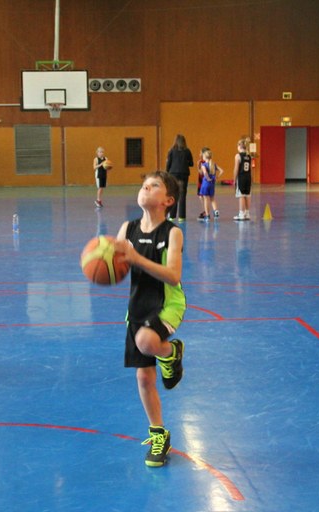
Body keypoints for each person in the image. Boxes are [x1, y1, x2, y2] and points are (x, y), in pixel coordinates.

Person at [114, 170, 186, 467]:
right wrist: (104, 258)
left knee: (146, 340)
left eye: (154, 185)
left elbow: (173, 275)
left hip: (167, 303)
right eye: (144, 184)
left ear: (168, 200)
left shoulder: (172, 233)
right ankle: (159, 434)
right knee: (144, 378)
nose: (146, 187)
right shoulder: (127, 228)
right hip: (138, 306)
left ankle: (171, 351)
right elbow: (116, 266)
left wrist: (136, 258)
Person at [165, 134, 193, 222]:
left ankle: (172, 216)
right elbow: (191, 163)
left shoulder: (171, 151)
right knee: (182, 195)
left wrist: (167, 173)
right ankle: (182, 217)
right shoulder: (187, 151)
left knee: (173, 194)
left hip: (173, 174)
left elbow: (168, 163)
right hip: (184, 174)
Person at [198, 149, 224, 221]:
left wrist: (208, 178)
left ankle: (207, 215)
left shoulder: (204, 165)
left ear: (205, 157)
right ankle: (216, 212)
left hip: (206, 183)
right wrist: (217, 177)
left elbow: (205, 173)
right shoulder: (213, 164)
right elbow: (222, 171)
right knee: (212, 198)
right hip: (212, 184)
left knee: (206, 199)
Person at [233, 138, 253, 221]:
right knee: (247, 195)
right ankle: (247, 213)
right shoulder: (249, 156)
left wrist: (234, 179)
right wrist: (251, 179)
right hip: (248, 177)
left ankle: (241, 214)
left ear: (239, 146)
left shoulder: (238, 156)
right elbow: (250, 169)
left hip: (241, 178)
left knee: (241, 196)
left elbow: (236, 169)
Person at [196, 147, 208, 220]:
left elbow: (201, 172)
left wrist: (198, 166)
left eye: (200, 153)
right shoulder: (209, 161)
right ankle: (206, 211)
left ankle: (205, 211)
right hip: (206, 181)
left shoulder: (201, 162)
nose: (199, 154)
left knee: (202, 196)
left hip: (202, 181)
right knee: (205, 197)